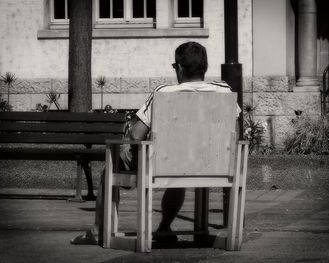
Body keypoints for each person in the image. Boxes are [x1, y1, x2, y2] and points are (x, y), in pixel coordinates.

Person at [71, 41, 238, 245]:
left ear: (179, 68)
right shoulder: (225, 91)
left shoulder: (164, 93)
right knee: (180, 166)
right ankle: (164, 228)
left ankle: (99, 231)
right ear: (205, 67)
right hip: (214, 164)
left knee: (112, 166)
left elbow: (136, 135)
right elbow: (234, 132)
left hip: (165, 164)